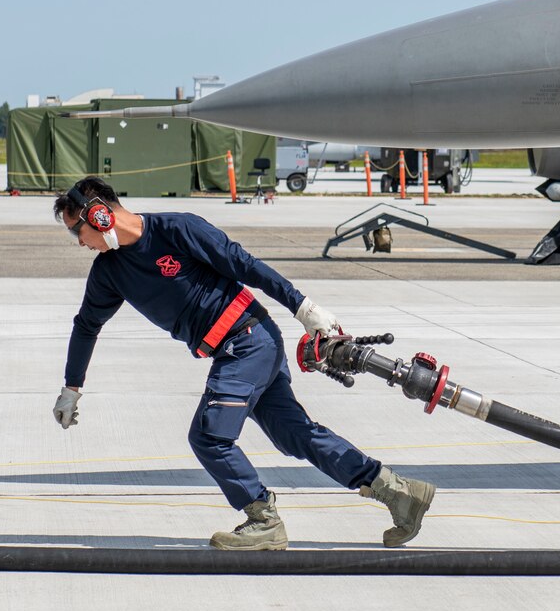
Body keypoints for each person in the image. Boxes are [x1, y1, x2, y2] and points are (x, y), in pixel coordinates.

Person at [52, 176, 436, 551]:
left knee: (209, 436)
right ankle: (401, 494)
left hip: (248, 340)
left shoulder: (177, 229)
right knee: (295, 435)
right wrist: (72, 386)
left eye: (76, 232)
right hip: (237, 348)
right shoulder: (109, 272)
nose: (80, 243)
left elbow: (244, 264)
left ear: (100, 216)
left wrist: (303, 307)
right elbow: (87, 325)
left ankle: (263, 520)